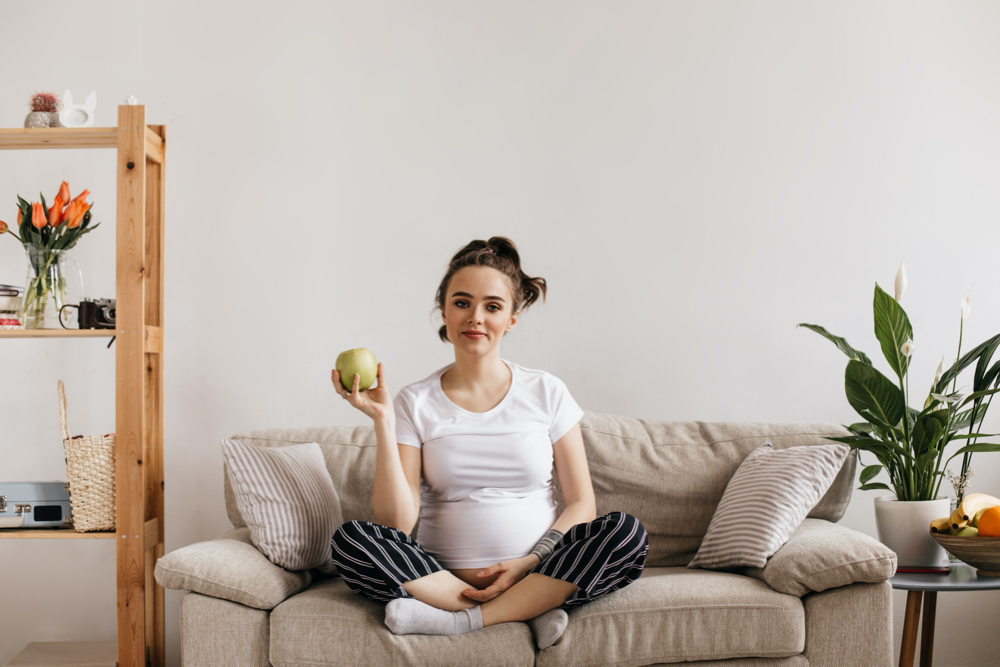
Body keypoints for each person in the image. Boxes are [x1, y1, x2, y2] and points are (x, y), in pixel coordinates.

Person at [329, 236, 648, 649]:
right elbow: (396, 524)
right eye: (462, 303)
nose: (475, 317)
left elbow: (581, 504)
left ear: (512, 317)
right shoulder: (414, 401)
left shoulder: (546, 391)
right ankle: (529, 610)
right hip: (439, 576)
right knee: (352, 539)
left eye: (492, 306)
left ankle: (465, 620)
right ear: (443, 309)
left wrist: (529, 563)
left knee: (625, 532)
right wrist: (383, 421)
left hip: (539, 568)